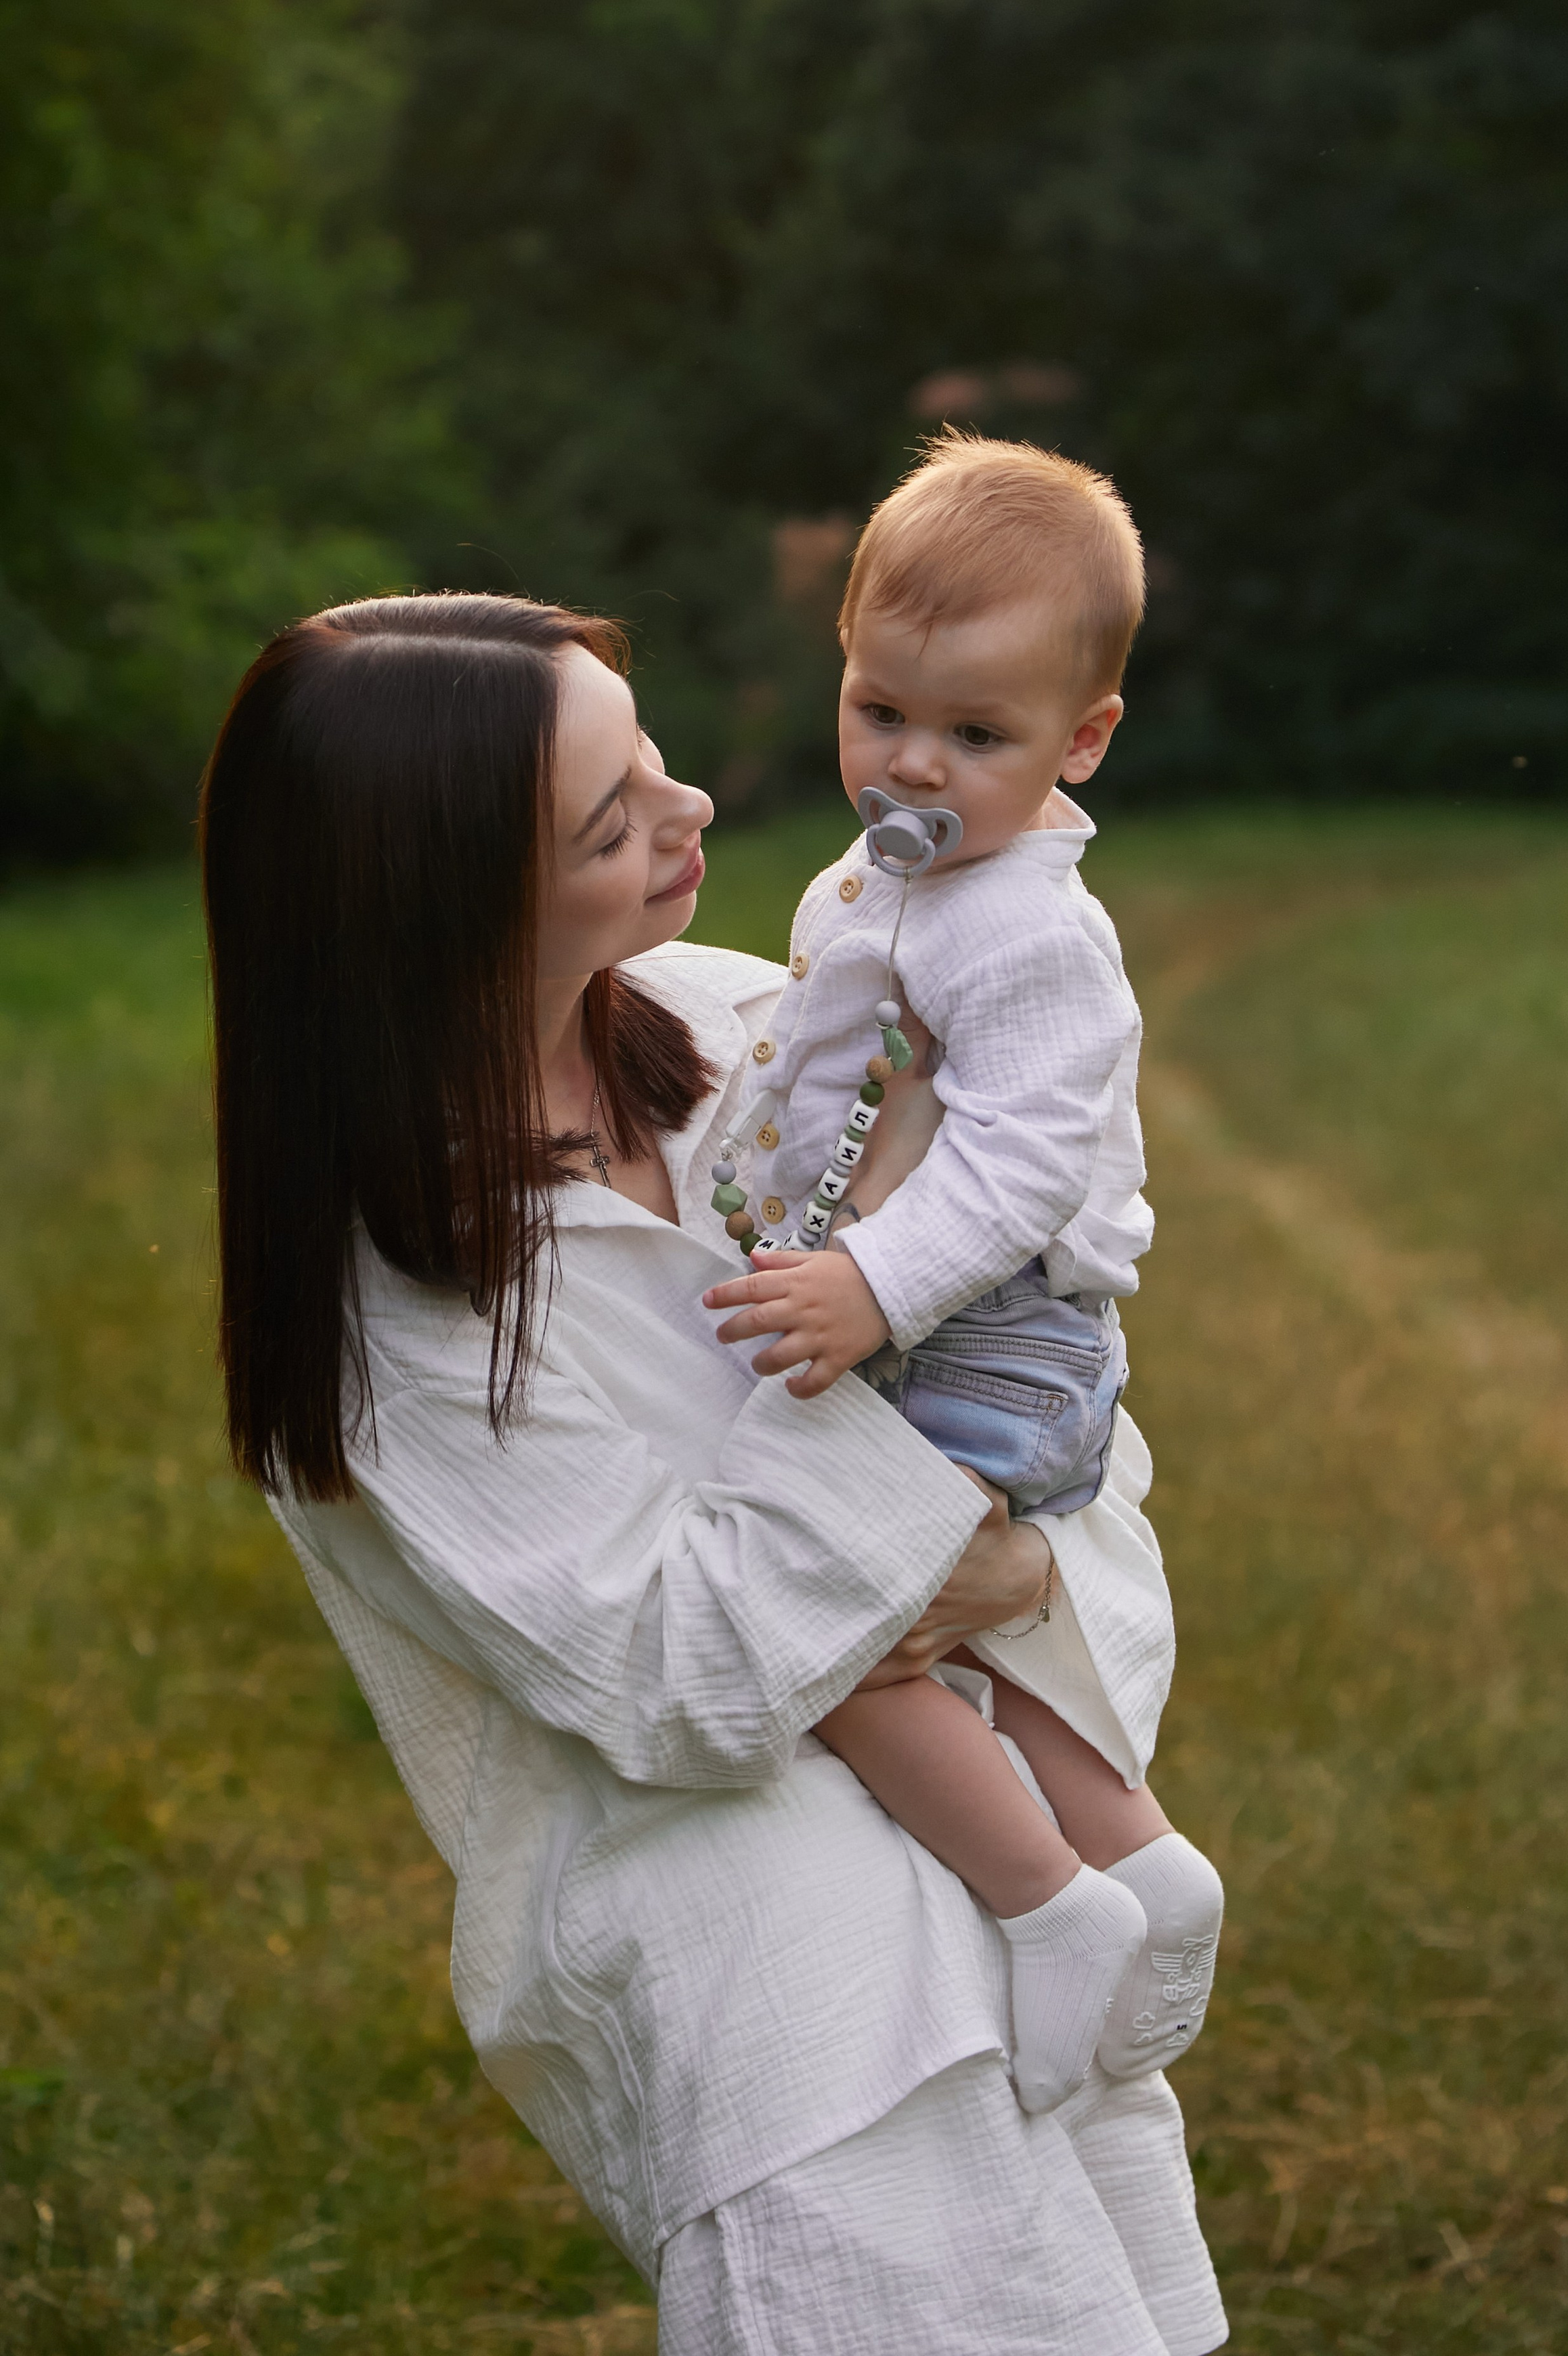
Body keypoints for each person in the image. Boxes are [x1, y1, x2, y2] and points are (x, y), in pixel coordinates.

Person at [199, 590, 1227, 2356]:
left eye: (653, 760)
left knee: (1102, 2294)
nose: (691, 816)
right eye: (613, 822)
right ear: (441, 918)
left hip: (999, 1857)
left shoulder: (753, 1022)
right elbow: (679, 1672)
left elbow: (1056, 1394)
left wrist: (1016, 1568)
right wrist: (940, 1536)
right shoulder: (405, 1313)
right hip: (769, 1961)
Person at [702, 435, 1224, 2115]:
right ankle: (1137, 1864)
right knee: (969, 1638)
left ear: (1082, 742)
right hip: (913, 1313)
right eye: (878, 713)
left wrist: (864, 1283)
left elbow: (1015, 1168)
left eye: (975, 737)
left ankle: (1045, 1908)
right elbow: (822, 1062)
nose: (910, 765)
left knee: (834, 1623)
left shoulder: (1035, 937)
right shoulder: (870, 878)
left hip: (998, 1337)